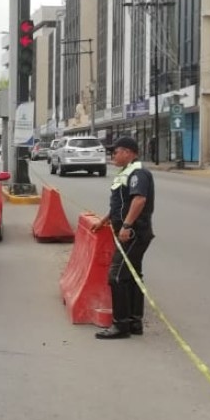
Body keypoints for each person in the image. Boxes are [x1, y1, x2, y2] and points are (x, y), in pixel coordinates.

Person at [90, 137, 155, 340]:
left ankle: (121, 325)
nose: (113, 156)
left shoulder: (138, 173)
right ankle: (135, 322)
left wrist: (126, 226)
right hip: (128, 232)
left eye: (116, 152)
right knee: (133, 275)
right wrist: (105, 220)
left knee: (117, 276)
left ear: (128, 152)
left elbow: (139, 200)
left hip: (134, 233)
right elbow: (121, 204)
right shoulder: (125, 173)